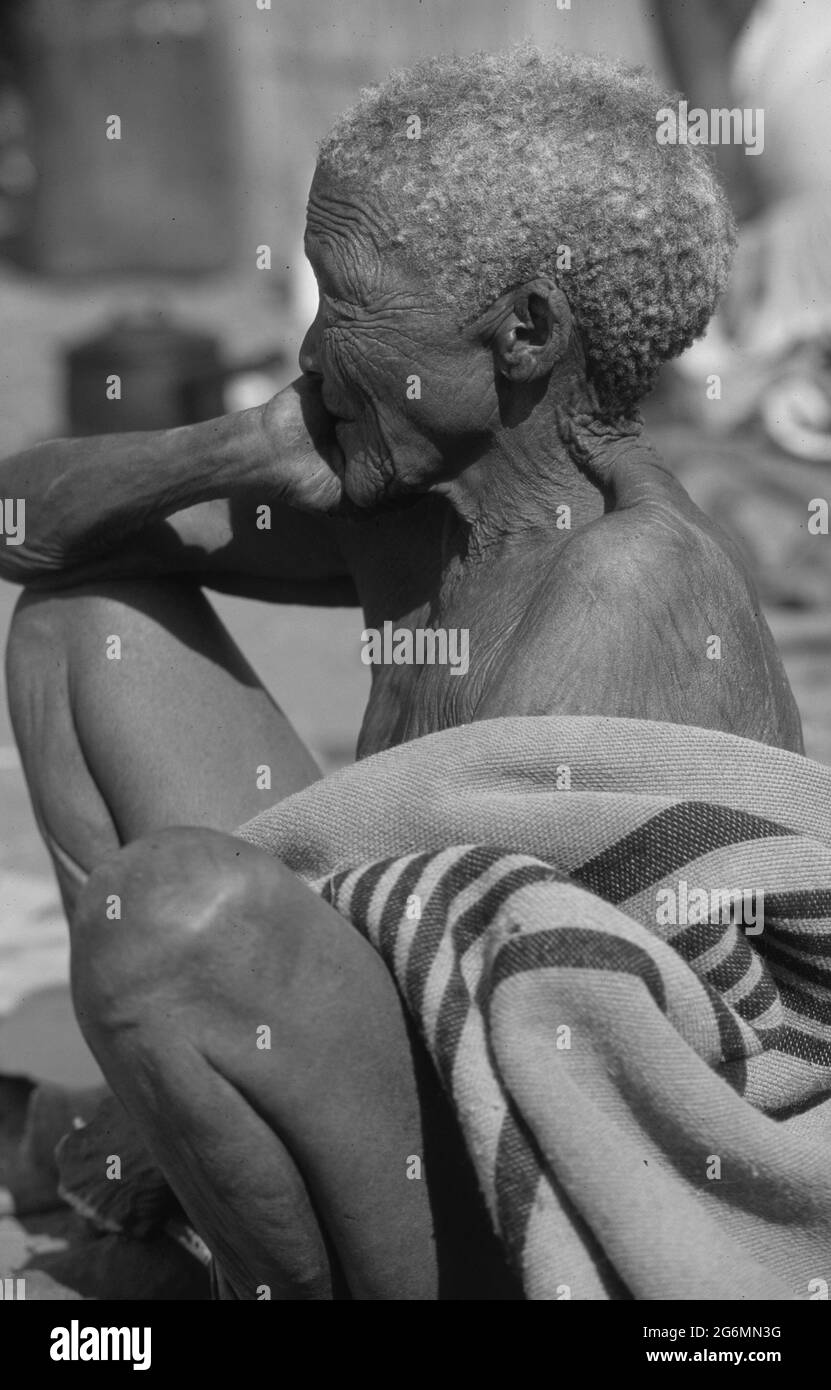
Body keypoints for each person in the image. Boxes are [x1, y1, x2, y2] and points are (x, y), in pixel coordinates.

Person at [1, 46, 803, 1299]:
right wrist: (240, 440)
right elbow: (22, 527)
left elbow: (483, 991)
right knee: (80, 619)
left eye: (350, 303)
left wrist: (173, 1043)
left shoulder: (626, 580)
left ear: (526, 330)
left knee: (168, 923)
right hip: (401, 1016)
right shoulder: (418, 492)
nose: (316, 346)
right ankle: (178, 1154)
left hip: (525, 1163)